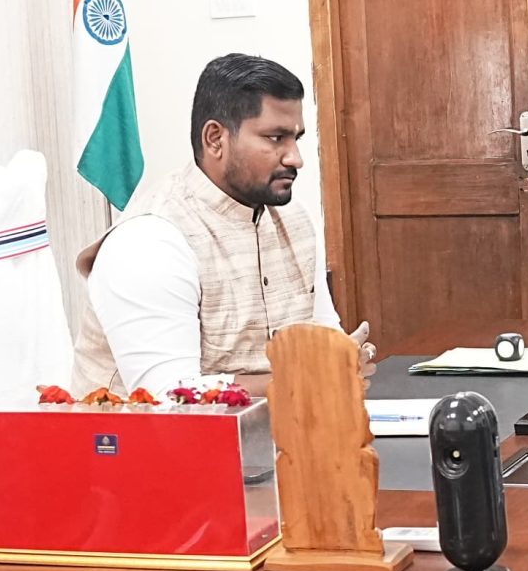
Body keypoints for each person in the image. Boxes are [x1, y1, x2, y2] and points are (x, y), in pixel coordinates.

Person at [71, 54, 370, 394]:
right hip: (141, 429)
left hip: (280, 425)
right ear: (215, 139)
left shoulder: (294, 220)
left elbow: (328, 349)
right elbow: (169, 397)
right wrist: (309, 378)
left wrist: (343, 361)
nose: (295, 158)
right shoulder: (149, 242)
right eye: (275, 138)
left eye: (295, 139)